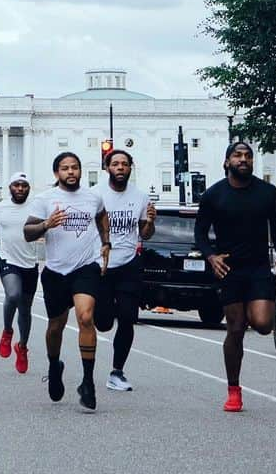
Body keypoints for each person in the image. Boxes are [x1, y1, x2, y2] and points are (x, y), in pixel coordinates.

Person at [194, 141, 276, 413]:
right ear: (227, 162)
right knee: (235, 329)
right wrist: (211, 257)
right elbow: (200, 233)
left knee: (262, 323)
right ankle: (234, 390)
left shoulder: (268, 193)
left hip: (258, 267)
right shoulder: (213, 195)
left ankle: (252, 307)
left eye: (248, 156)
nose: (243, 159)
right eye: (238, 156)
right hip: (229, 268)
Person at [24, 152, 110, 412]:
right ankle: (54, 364)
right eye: (65, 168)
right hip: (56, 271)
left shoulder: (92, 197)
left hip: (86, 267)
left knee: (85, 317)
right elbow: (27, 232)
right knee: (55, 326)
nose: (70, 172)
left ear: (80, 171)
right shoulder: (44, 200)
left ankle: (87, 382)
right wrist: (46, 224)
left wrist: (106, 242)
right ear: (56, 173)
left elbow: (102, 217)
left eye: (75, 168)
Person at [95, 150, 155, 391]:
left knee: (128, 318)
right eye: (115, 164)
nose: (120, 167)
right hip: (101, 264)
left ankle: (117, 372)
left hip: (129, 263)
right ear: (107, 167)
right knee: (103, 322)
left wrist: (150, 221)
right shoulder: (95, 194)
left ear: (131, 168)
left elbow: (145, 234)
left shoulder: (140, 197)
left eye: (125, 164)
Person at [0, 172, 41, 374]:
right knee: (13, 295)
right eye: (16, 185)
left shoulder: (36, 207)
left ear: (29, 188)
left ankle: (22, 346)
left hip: (30, 263)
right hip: (8, 260)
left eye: (24, 185)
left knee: (25, 310)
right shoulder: (0, 208)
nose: (20, 189)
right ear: (10, 187)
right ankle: (7, 331)